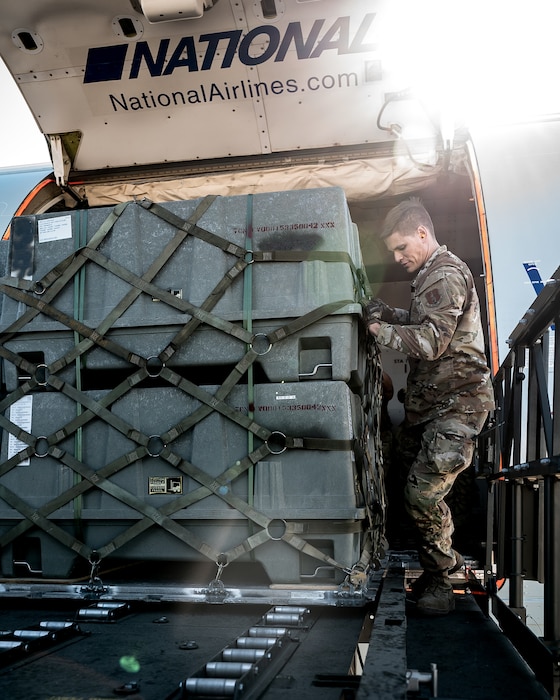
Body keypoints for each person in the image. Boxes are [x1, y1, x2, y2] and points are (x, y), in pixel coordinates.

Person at [365, 198, 495, 616]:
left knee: (421, 494)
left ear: (422, 233)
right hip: (432, 407)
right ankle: (432, 561)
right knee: (404, 474)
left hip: (457, 406)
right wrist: (390, 312)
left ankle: (443, 574)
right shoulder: (430, 276)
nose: (398, 257)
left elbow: (431, 342)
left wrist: (377, 328)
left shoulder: (445, 272)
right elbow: (430, 323)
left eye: (402, 248)